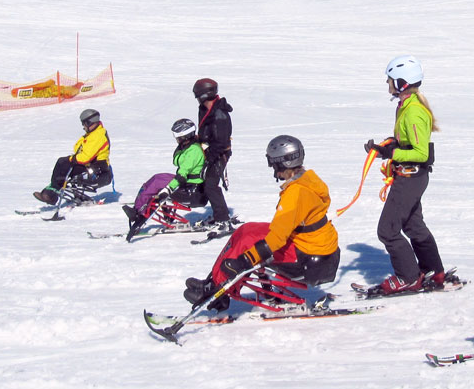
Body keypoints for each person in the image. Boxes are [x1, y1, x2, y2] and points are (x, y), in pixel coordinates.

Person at [182, 135, 340, 310]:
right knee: (246, 230)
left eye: (273, 164)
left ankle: (217, 293)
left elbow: (276, 239)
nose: (273, 168)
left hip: (308, 258)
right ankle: (213, 281)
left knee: (248, 243)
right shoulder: (307, 180)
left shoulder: (295, 194)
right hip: (316, 249)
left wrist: (245, 261)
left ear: (281, 163)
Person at [361, 55, 444, 295]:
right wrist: (384, 150)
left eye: (390, 81)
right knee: (413, 225)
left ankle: (408, 277)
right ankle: (434, 271)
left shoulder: (413, 112)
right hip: (409, 176)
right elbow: (405, 144)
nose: (388, 85)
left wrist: (392, 153)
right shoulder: (406, 106)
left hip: (411, 178)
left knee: (387, 230)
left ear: (402, 83)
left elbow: (419, 152)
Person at [122, 119, 206, 237]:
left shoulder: (193, 151)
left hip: (191, 189)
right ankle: (139, 206)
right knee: (157, 178)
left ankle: (137, 212)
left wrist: (167, 190)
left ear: (185, 136)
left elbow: (182, 173)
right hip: (189, 183)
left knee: (157, 182)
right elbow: (178, 162)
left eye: (177, 136)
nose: (176, 139)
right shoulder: (189, 147)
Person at [33, 108, 111, 205]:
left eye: (84, 124)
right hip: (91, 166)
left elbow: (86, 157)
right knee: (62, 165)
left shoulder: (98, 136)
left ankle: (51, 194)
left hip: (97, 170)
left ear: (89, 122)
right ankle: (50, 192)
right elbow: (77, 148)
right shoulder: (92, 134)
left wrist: (72, 159)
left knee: (63, 164)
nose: (83, 127)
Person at [194, 78, 234, 231]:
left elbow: (221, 142)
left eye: (198, 95)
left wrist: (210, 159)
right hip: (209, 151)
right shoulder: (205, 109)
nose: (197, 99)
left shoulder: (219, 114)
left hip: (219, 153)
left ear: (204, 94)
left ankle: (223, 219)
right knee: (205, 182)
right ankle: (218, 214)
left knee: (211, 184)